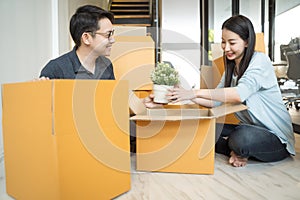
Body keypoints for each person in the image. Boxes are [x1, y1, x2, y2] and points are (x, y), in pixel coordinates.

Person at [166, 15, 295, 167]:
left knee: (241, 138)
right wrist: (185, 95)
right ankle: (237, 151)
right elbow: (215, 101)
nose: (226, 48)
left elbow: (239, 94)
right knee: (202, 128)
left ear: (247, 41)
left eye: (232, 42)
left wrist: (194, 93)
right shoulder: (232, 67)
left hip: (275, 139)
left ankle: (238, 148)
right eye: (223, 42)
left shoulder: (259, 61)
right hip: (248, 128)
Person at [39, 4, 115, 80]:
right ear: (86, 38)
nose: (113, 40)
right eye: (108, 35)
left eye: (112, 33)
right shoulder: (55, 70)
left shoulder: (106, 65)